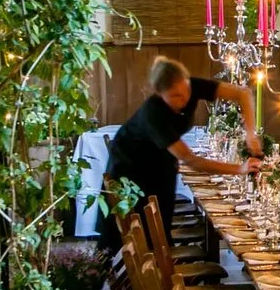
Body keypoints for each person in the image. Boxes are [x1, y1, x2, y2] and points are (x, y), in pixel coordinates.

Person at [107, 57, 261, 236]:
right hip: (132, 164)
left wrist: (250, 133)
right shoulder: (154, 113)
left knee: (161, 220)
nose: (184, 98)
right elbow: (191, 160)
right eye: (175, 96)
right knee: (138, 228)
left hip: (161, 158)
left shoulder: (191, 86)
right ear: (160, 94)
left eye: (186, 90)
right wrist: (239, 169)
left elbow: (243, 94)